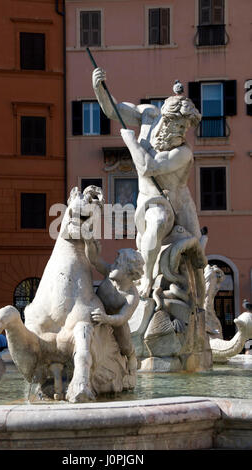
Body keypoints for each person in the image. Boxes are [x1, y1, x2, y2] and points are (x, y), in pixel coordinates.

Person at [92, 68, 203, 298]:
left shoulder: (183, 152)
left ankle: (201, 309)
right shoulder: (148, 116)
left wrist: (130, 141)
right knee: (153, 226)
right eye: (180, 125)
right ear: (166, 118)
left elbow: (147, 167)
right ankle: (149, 277)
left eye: (186, 128)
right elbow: (114, 110)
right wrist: (98, 88)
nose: (183, 132)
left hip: (176, 203)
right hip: (148, 197)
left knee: (197, 261)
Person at [85, 239, 144, 376]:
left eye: (118, 265)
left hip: (113, 319)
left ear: (129, 273)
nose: (113, 266)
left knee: (124, 342)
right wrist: (90, 246)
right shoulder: (110, 273)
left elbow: (122, 317)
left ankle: (131, 356)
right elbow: (94, 261)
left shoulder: (131, 296)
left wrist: (106, 319)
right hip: (96, 309)